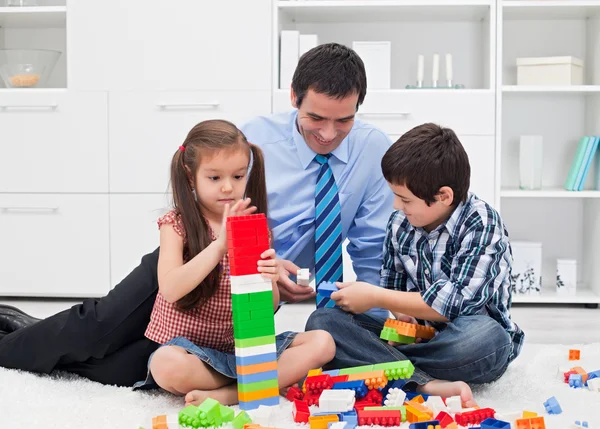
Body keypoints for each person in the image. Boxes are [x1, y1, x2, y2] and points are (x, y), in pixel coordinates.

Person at [0, 42, 394, 386]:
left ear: (359, 106)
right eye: (315, 118)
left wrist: (373, 330)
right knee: (98, 328)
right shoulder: (255, 139)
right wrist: (212, 244)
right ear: (294, 97)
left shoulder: (372, 150)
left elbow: (372, 249)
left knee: (131, 366)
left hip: (249, 282)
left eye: (343, 119)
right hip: (195, 255)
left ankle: (27, 333)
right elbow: (207, 195)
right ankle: (12, 344)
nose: (327, 133)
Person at [306, 123, 525, 405]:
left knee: (485, 339)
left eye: (405, 199)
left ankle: (378, 364)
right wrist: (401, 320)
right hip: (420, 338)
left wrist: (372, 295)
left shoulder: (482, 223)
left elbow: (455, 304)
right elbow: (395, 288)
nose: (397, 206)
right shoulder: (401, 222)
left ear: (443, 196)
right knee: (323, 321)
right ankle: (424, 382)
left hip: (466, 339)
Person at [132, 119, 334, 405]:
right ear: (191, 177)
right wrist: (220, 246)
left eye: (238, 177)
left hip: (242, 351)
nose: (228, 188)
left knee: (322, 342)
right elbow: (171, 289)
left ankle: (230, 394)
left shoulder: (255, 228)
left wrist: (271, 277)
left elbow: (267, 310)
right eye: (214, 178)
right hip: (190, 354)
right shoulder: (175, 224)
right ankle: (263, 382)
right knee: (165, 365)